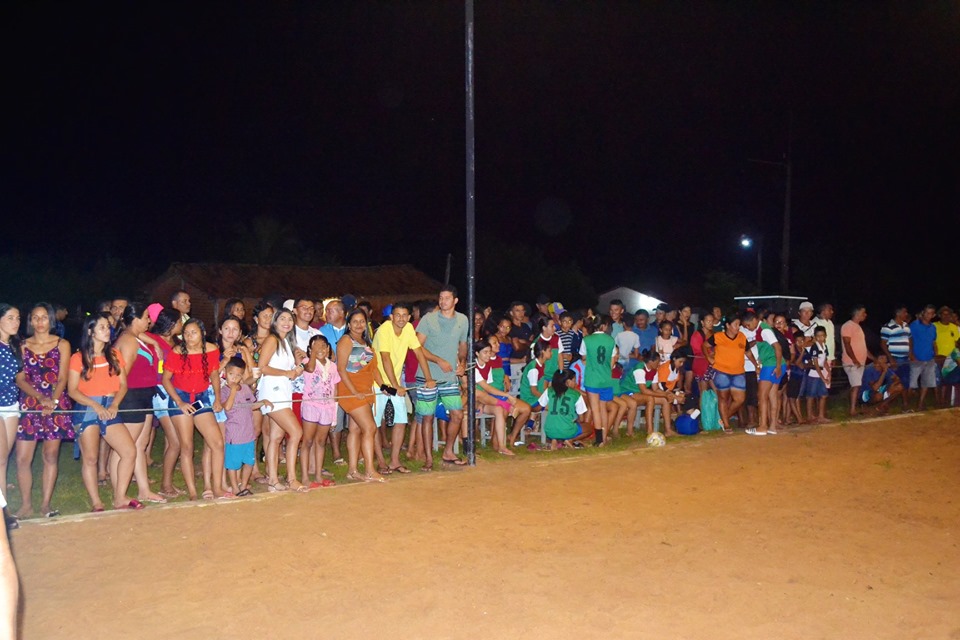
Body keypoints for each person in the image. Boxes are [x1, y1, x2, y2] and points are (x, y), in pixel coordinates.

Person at [67, 315, 142, 511]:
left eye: (108, 327)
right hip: (87, 409)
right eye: (102, 327)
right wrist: (95, 405)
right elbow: (72, 390)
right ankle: (96, 502)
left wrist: (114, 404)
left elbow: (123, 384)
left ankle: (120, 497)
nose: (107, 330)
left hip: (109, 407)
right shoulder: (78, 358)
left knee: (129, 451)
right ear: (90, 332)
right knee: (90, 458)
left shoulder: (114, 355)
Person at [161, 318, 233, 500]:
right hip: (181, 397)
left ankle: (217, 488)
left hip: (201, 397)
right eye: (186, 333)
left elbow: (214, 375)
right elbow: (165, 379)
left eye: (193, 332)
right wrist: (179, 402)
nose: (189, 336)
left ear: (202, 333)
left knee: (217, 443)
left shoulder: (212, 349)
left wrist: (217, 398)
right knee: (187, 446)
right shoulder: (177, 352)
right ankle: (193, 492)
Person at [14, 303, 74, 518]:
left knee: (50, 455)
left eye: (44, 317)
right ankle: (26, 504)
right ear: (30, 321)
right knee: (22, 458)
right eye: (35, 317)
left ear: (51, 320)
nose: (39, 322)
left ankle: (45, 504)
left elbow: (63, 377)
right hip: (30, 402)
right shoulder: (22, 345)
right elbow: (20, 378)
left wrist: (53, 400)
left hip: (55, 403)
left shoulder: (62, 344)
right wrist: (40, 398)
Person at [372, 302, 434, 474]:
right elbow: (385, 358)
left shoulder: (408, 329)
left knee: (401, 420)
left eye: (404, 315)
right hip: (377, 382)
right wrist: (395, 385)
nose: (401, 318)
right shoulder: (384, 330)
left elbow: (419, 352)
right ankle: (381, 462)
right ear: (391, 316)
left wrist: (428, 378)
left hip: (396, 382)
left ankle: (394, 461)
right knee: (374, 424)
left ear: (409, 317)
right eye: (397, 315)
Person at [114, 302, 167, 504]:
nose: (149, 320)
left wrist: (155, 344)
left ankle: (144, 490)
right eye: (146, 317)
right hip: (131, 397)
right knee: (124, 447)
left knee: (140, 444)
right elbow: (121, 376)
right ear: (135, 319)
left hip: (145, 395)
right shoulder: (128, 341)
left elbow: (140, 335)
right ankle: (119, 494)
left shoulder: (135, 336)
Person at [415, 286, 470, 467]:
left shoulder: (462, 320)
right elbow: (417, 346)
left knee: (457, 414)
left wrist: (462, 362)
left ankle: (448, 451)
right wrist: (438, 360)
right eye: (441, 297)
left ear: (455, 301)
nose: (443, 301)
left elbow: (463, 345)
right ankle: (428, 458)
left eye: (447, 298)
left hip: (449, 377)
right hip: (428, 375)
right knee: (427, 417)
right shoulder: (428, 319)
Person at [255, 308, 305, 492]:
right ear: (275, 322)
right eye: (282, 319)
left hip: (283, 393)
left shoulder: (285, 343)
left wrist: (297, 368)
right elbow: (262, 367)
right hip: (273, 393)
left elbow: (288, 371)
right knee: (296, 432)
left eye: (289, 319)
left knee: (276, 437)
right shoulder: (272, 340)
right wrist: (287, 373)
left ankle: (273, 480)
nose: (286, 322)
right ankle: (291, 478)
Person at [336, 308, 387, 482]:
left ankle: (352, 470)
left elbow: (374, 370)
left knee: (355, 429)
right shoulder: (346, 340)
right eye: (355, 321)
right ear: (349, 324)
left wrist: (385, 386)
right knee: (370, 428)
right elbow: (341, 369)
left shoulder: (366, 342)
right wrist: (354, 392)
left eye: (362, 321)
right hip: (351, 391)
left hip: (365, 390)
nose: (359, 324)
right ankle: (370, 470)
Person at [220, 359, 271, 496]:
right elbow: (227, 407)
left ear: (242, 376)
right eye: (231, 374)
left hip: (248, 433)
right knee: (233, 463)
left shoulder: (245, 389)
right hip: (234, 434)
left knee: (249, 461)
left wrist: (262, 402)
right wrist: (233, 391)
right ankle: (235, 487)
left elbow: (251, 406)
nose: (234, 378)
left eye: (238, 375)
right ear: (225, 373)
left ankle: (243, 485)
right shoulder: (224, 391)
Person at [704, 314, 757, 433]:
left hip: (738, 372)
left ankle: (724, 418)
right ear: (728, 325)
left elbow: (748, 352)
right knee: (723, 397)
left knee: (740, 399)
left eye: (739, 324)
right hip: (721, 371)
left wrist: (756, 365)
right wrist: (708, 357)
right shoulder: (718, 336)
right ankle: (726, 424)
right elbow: (705, 345)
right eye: (735, 324)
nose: (738, 327)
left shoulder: (742, 337)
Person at [300, 335, 339, 486]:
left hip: (327, 408)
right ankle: (305, 477)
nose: (320, 349)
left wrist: (334, 415)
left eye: (323, 346)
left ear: (328, 348)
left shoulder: (333, 366)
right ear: (310, 350)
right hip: (311, 406)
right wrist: (313, 354)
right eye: (315, 346)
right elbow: (310, 369)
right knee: (308, 441)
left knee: (321, 441)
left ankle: (318, 475)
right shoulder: (307, 362)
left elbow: (335, 390)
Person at [0, 305, 23, 526]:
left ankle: (4, 508)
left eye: (17, 318)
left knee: (3, 459)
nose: (15, 322)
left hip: (11, 404)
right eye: (10, 318)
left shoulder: (14, 346)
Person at [472, 340, 517, 455]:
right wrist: (507, 395)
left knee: (499, 410)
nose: (488, 355)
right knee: (477, 393)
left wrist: (482, 404)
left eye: (489, 352)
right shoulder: (473, 367)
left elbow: (488, 389)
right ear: (477, 353)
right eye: (485, 352)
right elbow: (486, 388)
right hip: (471, 400)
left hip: (483, 400)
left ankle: (502, 446)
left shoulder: (488, 367)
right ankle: (504, 403)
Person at [318, 299, 349, 465]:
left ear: (342, 313)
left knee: (354, 417)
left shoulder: (352, 328)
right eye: (326, 310)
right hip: (331, 380)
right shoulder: (322, 331)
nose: (327, 314)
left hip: (351, 379)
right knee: (335, 416)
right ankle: (336, 452)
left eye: (331, 310)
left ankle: (357, 451)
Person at [742, 311, 782, 435]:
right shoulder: (762, 330)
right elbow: (768, 348)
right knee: (772, 396)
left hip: (771, 364)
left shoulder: (764, 330)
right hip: (774, 363)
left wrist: (777, 366)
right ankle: (772, 427)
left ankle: (763, 426)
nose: (748, 328)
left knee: (761, 396)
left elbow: (777, 347)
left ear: (754, 320)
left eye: (748, 325)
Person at [579, 315, 617, 445]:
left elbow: (583, 357)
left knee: (595, 410)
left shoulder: (587, 340)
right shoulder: (610, 340)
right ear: (604, 326)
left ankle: (599, 440)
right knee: (603, 409)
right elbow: (612, 360)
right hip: (606, 378)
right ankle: (604, 438)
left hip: (592, 379)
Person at [538, 369, 588, 449]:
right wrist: (574, 419)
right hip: (567, 430)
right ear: (568, 381)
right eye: (574, 380)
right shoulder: (576, 394)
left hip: (549, 431)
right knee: (589, 427)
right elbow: (582, 419)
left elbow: (540, 407)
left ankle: (554, 440)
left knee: (558, 424)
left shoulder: (549, 390)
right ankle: (570, 440)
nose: (575, 383)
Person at [841, 305, 872, 416]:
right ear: (857, 313)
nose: (865, 315)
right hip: (851, 362)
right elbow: (847, 344)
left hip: (860, 362)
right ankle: (852, 410)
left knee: (857, 385)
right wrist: (854, 359)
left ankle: (856, 407)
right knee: (856, 385)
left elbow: (864, 348)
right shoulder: (848, 326)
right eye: (863, 313)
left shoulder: (858, 327)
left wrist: (874, 359)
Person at [880, 306, 913, 411]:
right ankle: (885, 404)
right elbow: (883, 344)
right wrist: (890, 358)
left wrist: (910, 353)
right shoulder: (888, 327)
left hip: (905, 358)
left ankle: (904, 404)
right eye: (904, 312)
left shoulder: (906, 326)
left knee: (905, 382)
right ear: (898, 313)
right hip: (895, 358)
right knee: (895, 383)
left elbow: (910, 340)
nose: (906, 314)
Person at [909, 305, 938, 411]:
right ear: (923, 312)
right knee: (911, 383)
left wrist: (936, 352)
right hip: (916, 358)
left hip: (929, 358)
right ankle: (906, 404)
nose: (928, 315)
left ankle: (920, 403)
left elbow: (933, 341)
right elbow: (909, 340)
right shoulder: (914, 325)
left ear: (934, 315)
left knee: (926, 382)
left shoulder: (933, 327)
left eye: (931, 313)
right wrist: (911, 354)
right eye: (926, 312)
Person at [804, 326, 832, 423]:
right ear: (815, 337)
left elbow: (824, 362)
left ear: (825, 336)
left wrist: (828, 371)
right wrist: (823, 377)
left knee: (823, 394)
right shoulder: (815, 347)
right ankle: (809, 416)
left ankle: (821, 416)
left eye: (822, 336)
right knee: (811, 395)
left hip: (820, 373)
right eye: (818, 336)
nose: (820, 338)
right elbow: (816, 364)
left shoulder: (824, 347)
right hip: (814, 374)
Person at [934, 307, 959, 406]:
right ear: (939, 315)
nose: (946, 316)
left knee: (947, 379)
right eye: (944, 314)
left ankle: (946, 401)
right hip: (939, 357)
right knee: (938, 380)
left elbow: (957, 342)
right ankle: (938, 401)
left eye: (948, 314)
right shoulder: (934, 326)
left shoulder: (953, 327)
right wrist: (935, 354)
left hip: (951, 358)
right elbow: (932, 341)